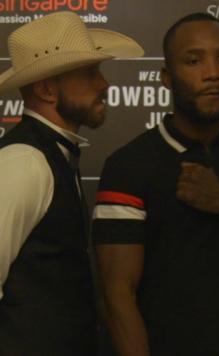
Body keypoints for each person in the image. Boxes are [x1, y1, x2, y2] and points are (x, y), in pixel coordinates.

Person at [92, 12, 219, 356]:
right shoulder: (129, 165)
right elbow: (118, 294)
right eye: (194, 60)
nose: (213, 73)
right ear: (166, 77)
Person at [0, 11, 143, 355]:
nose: (104, 84)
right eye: (90, 73)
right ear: (47, 89)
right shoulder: (25, 161)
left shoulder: (54, 154)